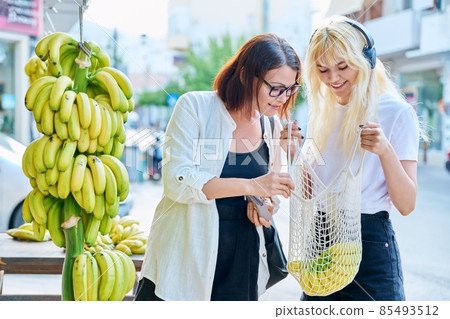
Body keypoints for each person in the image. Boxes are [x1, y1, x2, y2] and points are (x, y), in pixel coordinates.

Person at [134, 33, 303, 301]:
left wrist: (265, 209)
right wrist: (252, 185)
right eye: (276, 88)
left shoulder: (272, 126)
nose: (283, 98)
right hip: (186, 256)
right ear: (247, 76)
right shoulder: (195, 107)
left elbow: (268, 195)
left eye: (291, 88)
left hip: (242, 261)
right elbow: (177, 181)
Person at [290, 16, 422, 301]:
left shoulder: (396, 112)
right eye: (323, 70)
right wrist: (294, 154)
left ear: (366, 60)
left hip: (370, 242)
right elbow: (313, 192)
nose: (333, 79)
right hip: (322, 239)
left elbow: (407, 204)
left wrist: (385, 150)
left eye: (342, 67)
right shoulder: (321, 113)